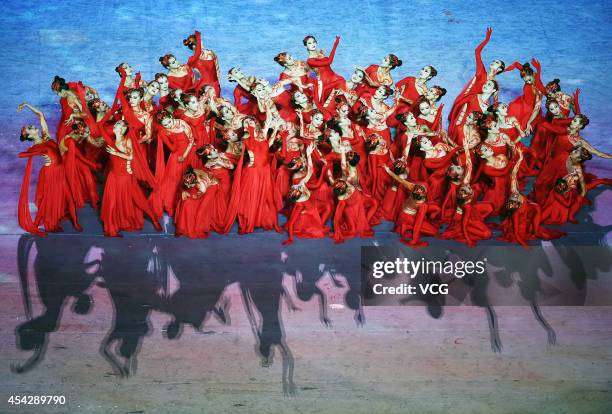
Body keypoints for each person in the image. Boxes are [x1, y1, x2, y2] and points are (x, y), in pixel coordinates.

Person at [17, 103, 81, 235]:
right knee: (48, 199)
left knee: (69, 196)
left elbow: (40, 115)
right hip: (50, 173)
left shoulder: (46, 136)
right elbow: (21, 154)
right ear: (30, 136)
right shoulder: (35, 147)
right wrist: (39, 157)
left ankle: (75, 222)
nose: (34, 126)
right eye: (31, 128)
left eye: (32, 126)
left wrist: (27, 105)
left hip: (60, 170)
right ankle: (36, 223)